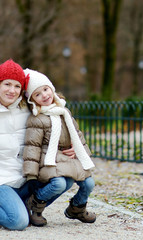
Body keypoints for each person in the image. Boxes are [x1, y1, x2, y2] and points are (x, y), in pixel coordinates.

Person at [0, 59, 74, 230]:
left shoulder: (28, 108)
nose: (12, 90)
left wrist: (72, 146)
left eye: (17, 86)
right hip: (0, 180)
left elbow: (54, 125)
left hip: (28, 176)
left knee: (66, 179)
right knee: (18, 222)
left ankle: (26, 205)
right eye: (7, 84)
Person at [22, 68, 97, 227]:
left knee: (89, 183)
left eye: (45, 89)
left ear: (51, 88)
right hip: (49, 159)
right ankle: (35, 206)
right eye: (37, 94)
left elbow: (77, 134)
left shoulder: (64, 111)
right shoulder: (37, 119)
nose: (44, 95)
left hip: (68, 157)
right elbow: (32, 147)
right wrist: (31, 173)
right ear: (32, 100)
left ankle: (77, 208)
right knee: (60, 184)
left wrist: (78, 150)